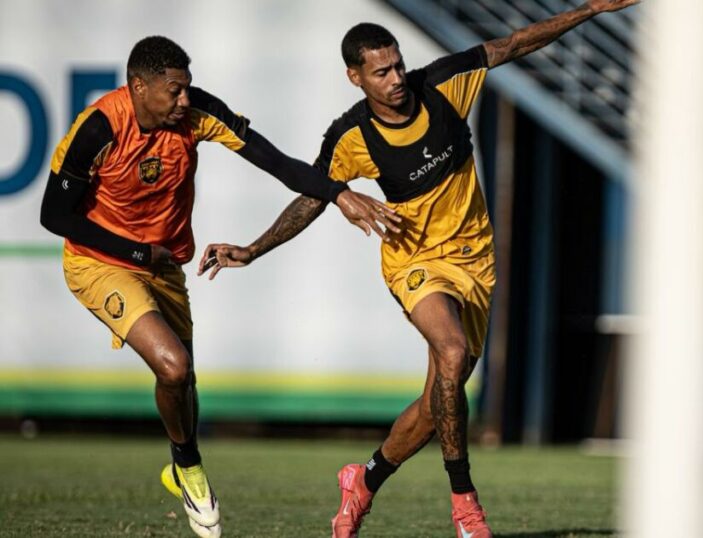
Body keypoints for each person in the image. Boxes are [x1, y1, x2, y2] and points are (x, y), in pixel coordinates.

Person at [198, 1, 639, 536]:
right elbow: (311, 197)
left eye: (399, 65)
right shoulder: (352, 136)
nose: (396, 79)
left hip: (474, 261)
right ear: (355, 77)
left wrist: (592, 7)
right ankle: (465, 504)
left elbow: (517, 42)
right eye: (381, 72)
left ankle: (363, 480)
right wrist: (252, 248)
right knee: (452, 353)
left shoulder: (446, 84)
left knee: (437, 406)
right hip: (413, 261)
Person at [39, 36, 400, 538]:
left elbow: (276, 163)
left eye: (187, 88)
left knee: (182, 384)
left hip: (165, 266)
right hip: (101, 263)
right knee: (174, 364)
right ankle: (189, 466)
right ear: (138, 87)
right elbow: (53, 214)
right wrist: (139, 253)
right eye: (174, 91)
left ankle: (181, 460)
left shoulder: (198, 112)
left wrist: (338, 193)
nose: (184, 100)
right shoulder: (98, 128)